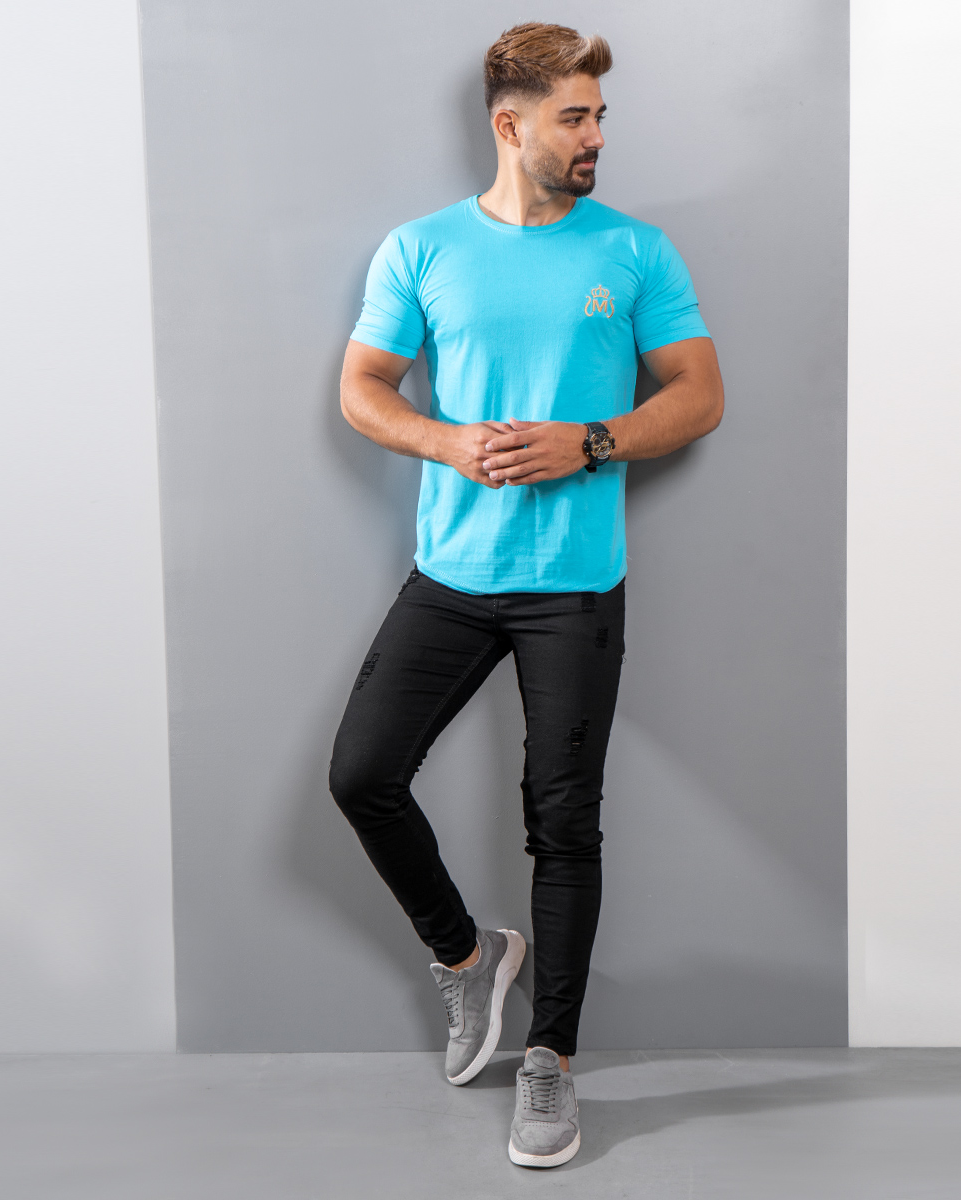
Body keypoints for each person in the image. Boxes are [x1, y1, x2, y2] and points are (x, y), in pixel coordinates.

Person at [328, 21, 724, 1169]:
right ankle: (468, 959)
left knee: (563, 824)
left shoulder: (635, 251)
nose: (596, 135)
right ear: (511, 124)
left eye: (599, 116)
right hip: (452, 577)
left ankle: (550, 1059)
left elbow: (698, 395)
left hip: (575, 590)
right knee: (361, 776)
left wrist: (590, 440)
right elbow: (363, 387)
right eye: (574, 116)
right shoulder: (422, 249)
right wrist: (448, 442)